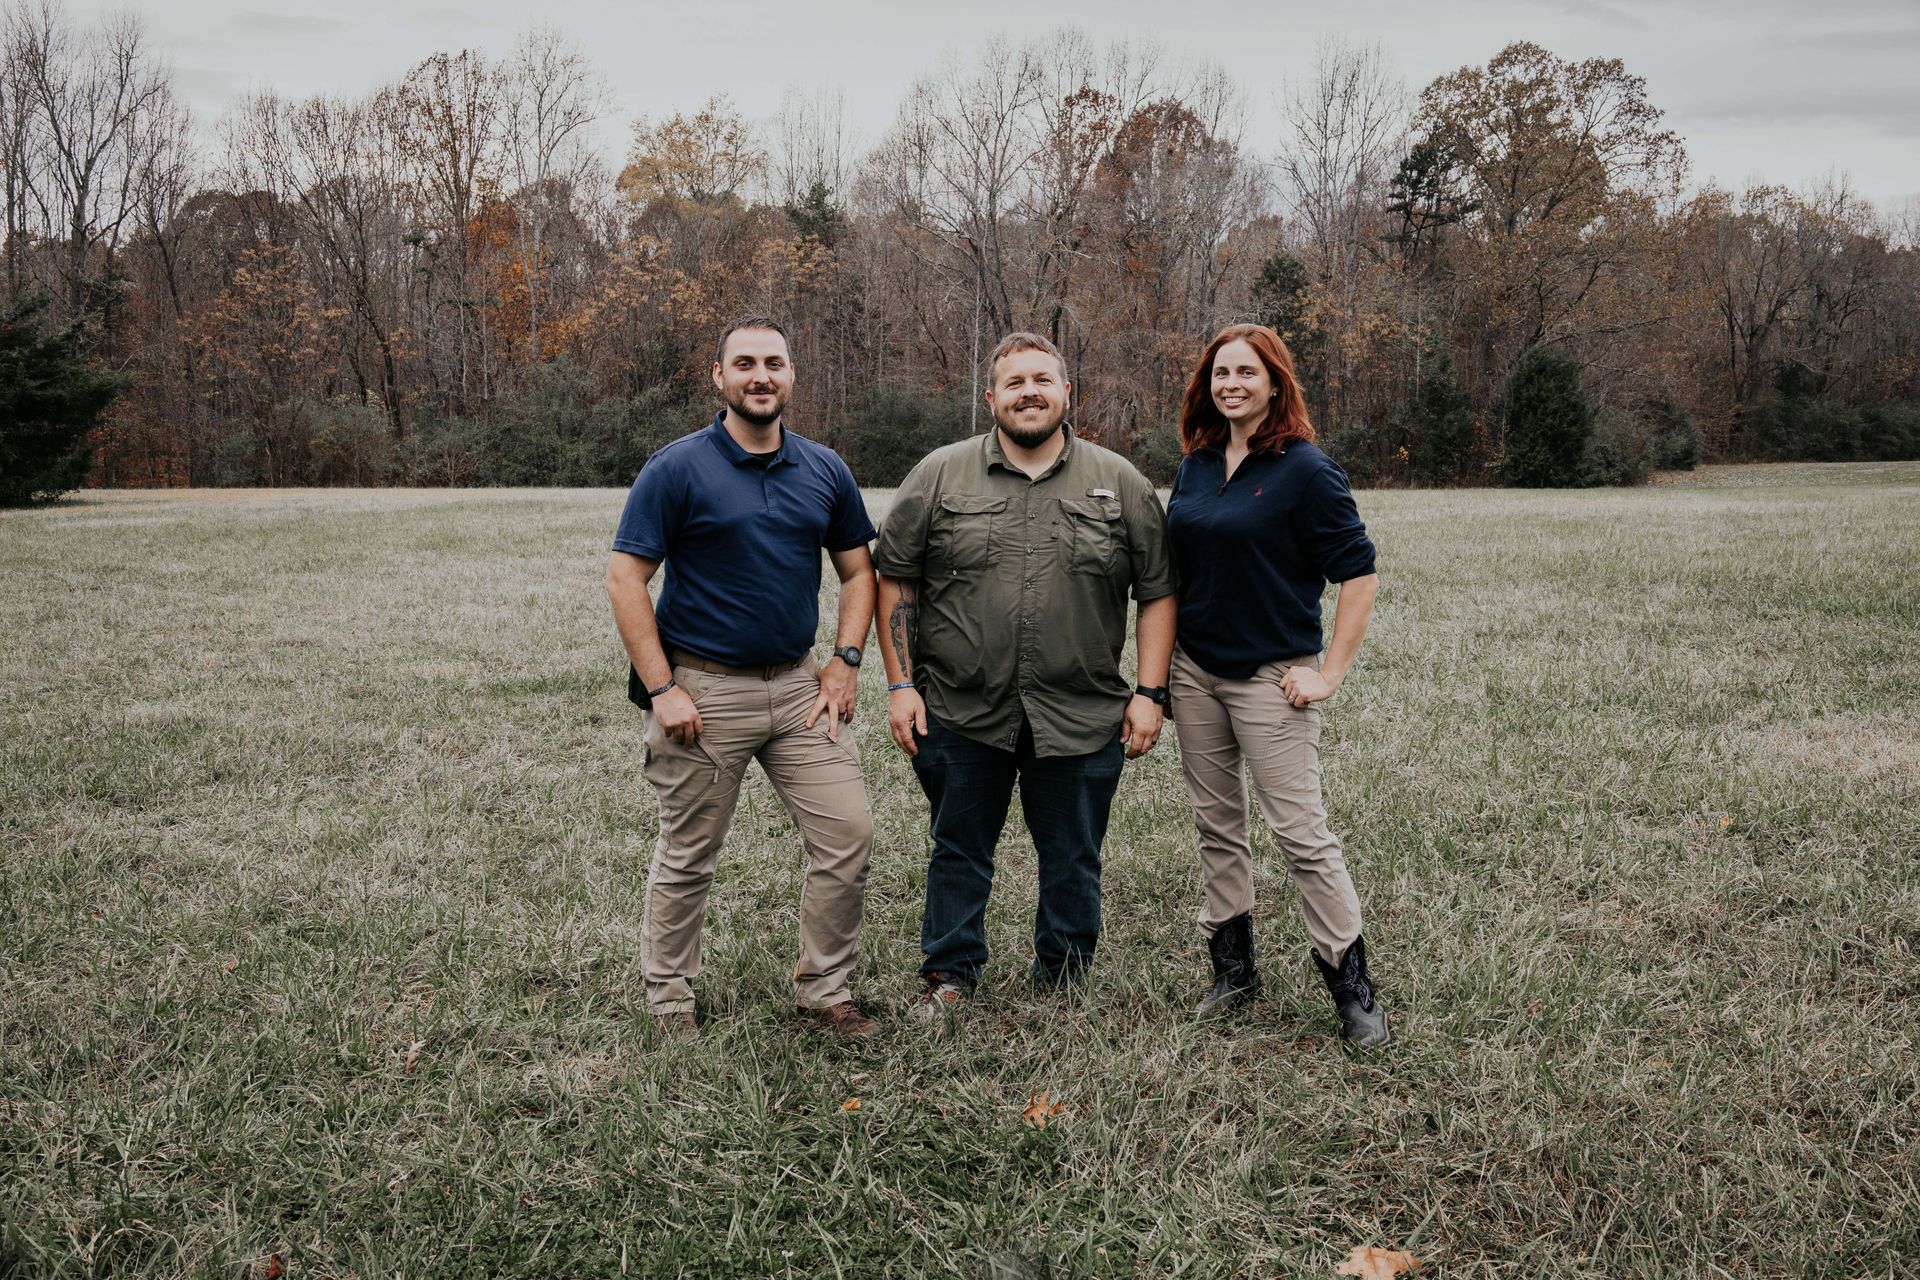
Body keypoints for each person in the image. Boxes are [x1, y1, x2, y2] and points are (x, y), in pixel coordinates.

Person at [873, 331, 1177, 1017]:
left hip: (1083, 712)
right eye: (1014, 383)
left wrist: (1150, 694)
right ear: (991, 399)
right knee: (958, 848)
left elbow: (1157, 590)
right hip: (959, 709)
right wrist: (898, 685)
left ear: (1068, 393)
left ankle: (1063, 979)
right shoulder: (940, 475)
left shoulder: (1119, 481)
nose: (1029, 392)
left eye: (1043, 379)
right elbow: (895, 579)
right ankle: (949, 976)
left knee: (1072, 857)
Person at [605, 315, 881, 1042]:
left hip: (798, 689)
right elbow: (626, 579)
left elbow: (859, 571)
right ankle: (670, 1003)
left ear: (792, 375)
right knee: (690, 852)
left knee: (847, 833)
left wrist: (846, 660)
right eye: (747, 363)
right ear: (718, 377)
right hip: (704, 689)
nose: (762, 376)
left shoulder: (825, 469)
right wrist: (664, 689)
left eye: (776, 363)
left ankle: (825, 993)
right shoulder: (677, 468)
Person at [1164, 323, 1390, 1048]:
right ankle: (1233, 971)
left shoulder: (1305, 469)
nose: (1231, 384)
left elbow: (1358, 574)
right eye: (1220, 373)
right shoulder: (1196, 464)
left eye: (1246, 373)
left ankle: (1351, 987)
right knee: (1216, 826)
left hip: (1271, 675)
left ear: (1274, 382)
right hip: (1195, 671)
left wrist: (1328, 673)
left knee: (1301, 835)